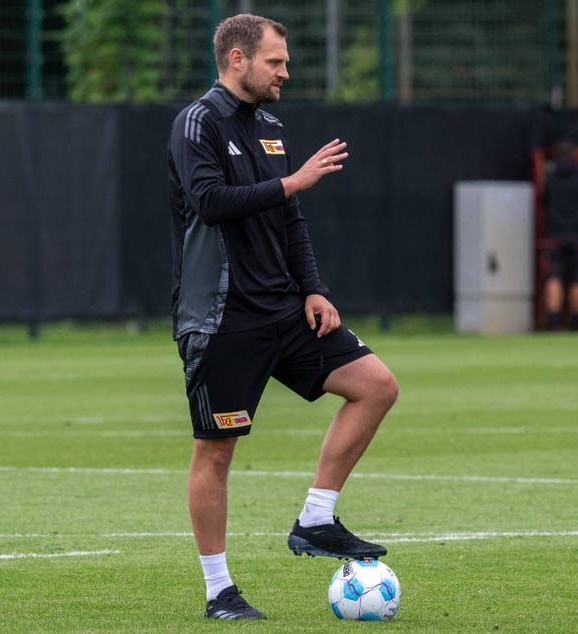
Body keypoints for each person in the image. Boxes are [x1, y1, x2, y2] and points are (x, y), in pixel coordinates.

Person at [167, 13, 399, 620]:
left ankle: (316, 520)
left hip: (285, 307)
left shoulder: (270, 124)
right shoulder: (197, 122)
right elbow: (210, 203)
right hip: (222, 315)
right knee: (215, 451)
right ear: (238, 59)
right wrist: (293, 181)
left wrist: (314, 288)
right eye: (276, 61)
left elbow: (289, 218)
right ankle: (220, 591)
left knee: (375, 386)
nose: (285, 72)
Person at [542, 140, 578, 331]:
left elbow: (544, 201)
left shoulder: (551, 177)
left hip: (555, 235)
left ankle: (554, 324)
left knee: (554, 278)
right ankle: (576, 323)